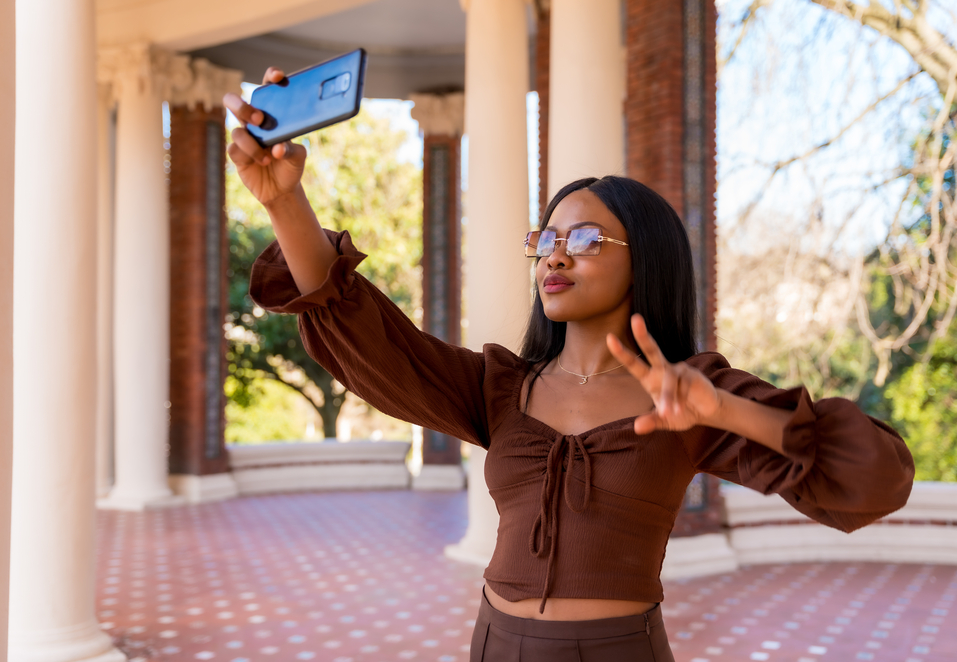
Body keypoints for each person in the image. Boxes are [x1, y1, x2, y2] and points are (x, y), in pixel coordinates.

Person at [224, 68, 915, 662]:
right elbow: (369, 336)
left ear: (645, 257)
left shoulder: (693, 389)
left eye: (584, 238)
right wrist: (283, 198)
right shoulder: (499, 386)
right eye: (547, 238)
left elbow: (875, 479)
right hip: (497, 642)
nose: (555, 254)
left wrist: (721, 409)